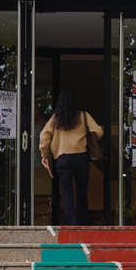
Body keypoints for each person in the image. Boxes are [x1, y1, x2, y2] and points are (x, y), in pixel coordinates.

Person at [39, 88, 103, 226]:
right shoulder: (83, 116)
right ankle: (82, 223)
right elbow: (98, 131)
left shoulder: (56, 118)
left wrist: (44, 154)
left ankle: (70, 224)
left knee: (67, 193)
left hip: (63, 159)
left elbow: (44, 135)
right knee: (81, 192)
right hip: (81, 158)